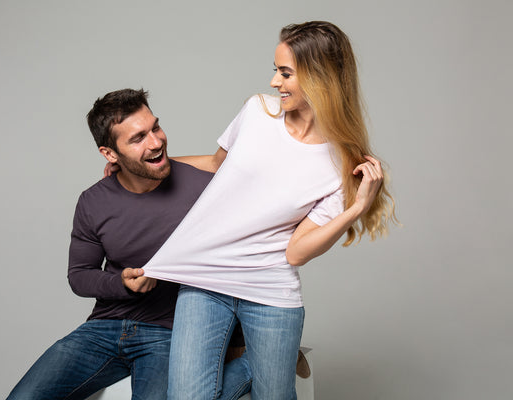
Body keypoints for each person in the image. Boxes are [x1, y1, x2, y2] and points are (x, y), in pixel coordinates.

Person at [131, 21, 397, 399]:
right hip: (207, 275)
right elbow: (217, 164)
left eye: (285, 73)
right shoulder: (257, 111)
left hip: (270, 290)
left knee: (274, 396)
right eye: (275, 70)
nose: (275, 82)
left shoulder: (342, 163)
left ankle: (278, 362)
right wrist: (145, 167)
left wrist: (356, 208)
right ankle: (278, 360)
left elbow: (296, 251)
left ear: (321, 78)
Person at [6, 89, 251, 400]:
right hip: (102, 330)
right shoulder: (93, 201)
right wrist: (121, 283)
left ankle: (253, 366)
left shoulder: (204, 189)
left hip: (169, 334)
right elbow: (79, 275)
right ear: (110, 154)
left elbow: (241, 261)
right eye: (138, 138)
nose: (156, 141)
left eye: (155, 128)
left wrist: (239, 341)